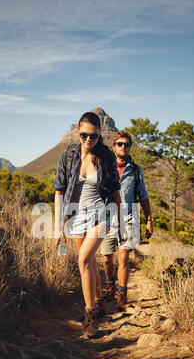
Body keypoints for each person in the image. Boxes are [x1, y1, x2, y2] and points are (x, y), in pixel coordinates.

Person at [53, 112, 124, 338]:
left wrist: (121, 224)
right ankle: (100, 300)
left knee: (83, 259)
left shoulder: (106, 157)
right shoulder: (68, 155)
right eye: (84, 135)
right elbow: (59, 191)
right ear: (78, 132)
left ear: (99, 134)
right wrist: (57, 226)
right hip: (75, 215)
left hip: (100, 214)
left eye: (93, 136)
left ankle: (90, 316)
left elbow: (115, 191)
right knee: (90, 263)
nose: (88, 140)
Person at [100, 130, 153, 311]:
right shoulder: (104, 167)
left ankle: (122, 295)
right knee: (107, 258)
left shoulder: (136, 171)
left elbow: (143, 195)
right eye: (120, 144)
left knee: (123, 256)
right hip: (106, 219)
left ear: (130, 147)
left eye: (126, 144)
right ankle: (110, 286)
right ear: (114, 146)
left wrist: (150, 219)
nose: (123, 147)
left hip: (129, 217)